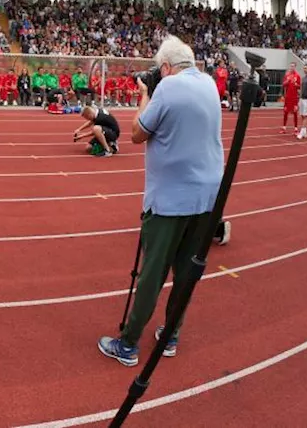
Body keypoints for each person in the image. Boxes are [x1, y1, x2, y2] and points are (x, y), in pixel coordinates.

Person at [98, 35, 225, 367]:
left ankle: (127, 345)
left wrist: (144, 95)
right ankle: (171, 335)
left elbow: (138, 132)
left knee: (152, 274)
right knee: (185, 271)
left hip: (171, 197)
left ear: (166, 67)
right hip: (207, 195)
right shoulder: (210, 84)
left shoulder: (167, 88)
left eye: (159, 70)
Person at [280, 61, 301, 134]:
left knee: (295, 113)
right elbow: (283, 84)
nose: (292, 67)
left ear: (295, 67)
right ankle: (284, 128)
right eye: (291, 66)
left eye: (293, 66)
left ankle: (295, 129)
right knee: (285, 112)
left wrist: (296, 84)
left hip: (294, 97)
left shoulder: (297, 76)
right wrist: (287, 82)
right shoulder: (287, 75)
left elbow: (299, 86)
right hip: (287, 97)